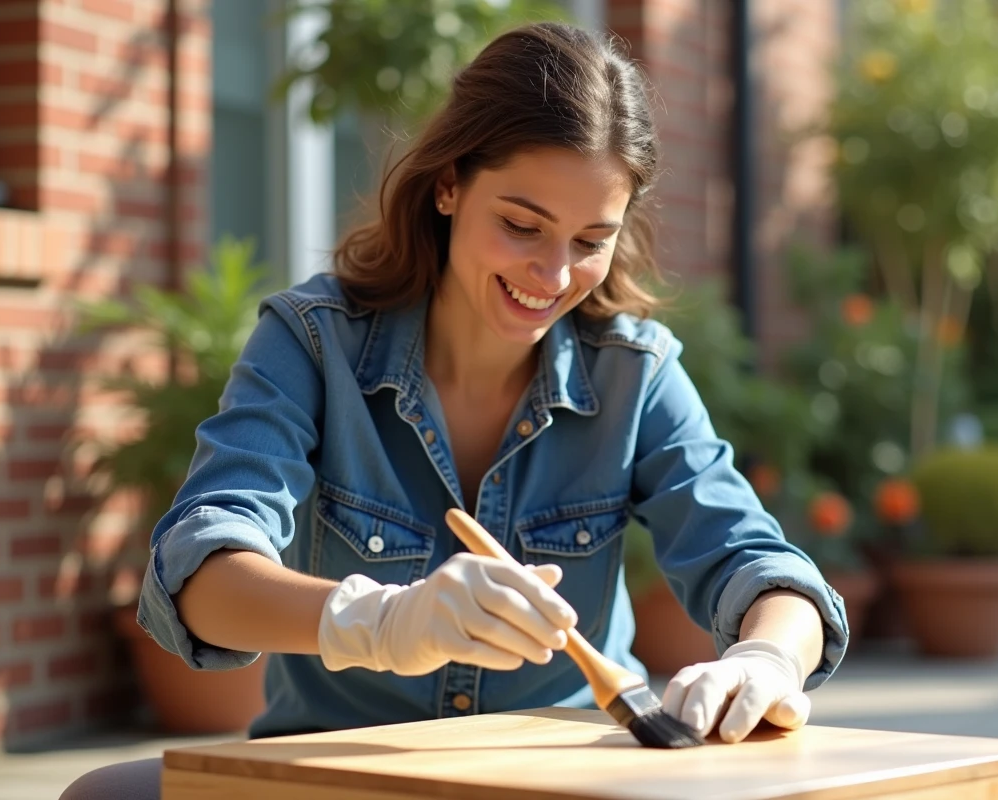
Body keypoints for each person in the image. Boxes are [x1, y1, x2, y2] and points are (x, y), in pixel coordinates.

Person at [60, 20, 848, 800]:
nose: (553, 272)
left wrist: (768, 658)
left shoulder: (634, 374)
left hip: (568, 780)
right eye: (520, 225)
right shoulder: (311, 344)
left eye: (590, 239)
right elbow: (201, 574)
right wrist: (379, 621)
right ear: (448, 186)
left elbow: (758, 566)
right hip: (349, 776)